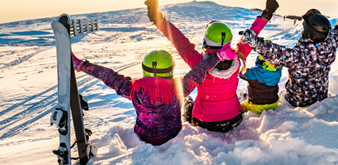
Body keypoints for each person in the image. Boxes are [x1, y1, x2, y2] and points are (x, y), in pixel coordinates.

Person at [144, 0, 279, 132]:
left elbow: (179, 41)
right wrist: (266, 14)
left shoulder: (198, 63)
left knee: (188, 104)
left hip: (204, 121)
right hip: (233, 118)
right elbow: (252, 34)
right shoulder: (238, 58)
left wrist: (157, 19)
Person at [71, 46, 236, 145]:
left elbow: (108, 76)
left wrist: (82, 66)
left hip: (144, 136)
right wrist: (218, 57)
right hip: (173, 133)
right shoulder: (179, 88)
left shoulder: (133, 89)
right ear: (170, 70)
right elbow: (199, 71)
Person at [240, 0, 338, 108]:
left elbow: (277, 53)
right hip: (321, 96)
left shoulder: (300, 55)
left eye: (304, 28)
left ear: (309, 33)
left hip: (297, 102)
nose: (302, 30)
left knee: (281, 97)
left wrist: (254, 42)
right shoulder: (331, 43)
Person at [239, 40, 284, 114]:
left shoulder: (254, 73)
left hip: (257, 106)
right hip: (273, 104)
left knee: (242, 107)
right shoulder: (278, 71)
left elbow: (241, 74)